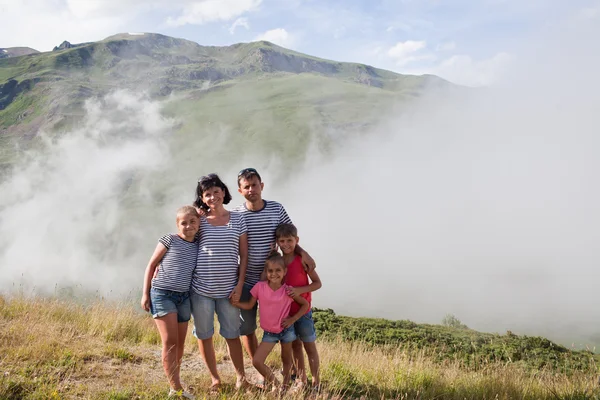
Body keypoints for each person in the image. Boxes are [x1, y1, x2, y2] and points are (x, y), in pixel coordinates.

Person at [234, 167, 316, 366]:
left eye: (255, 185)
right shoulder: (235, 215)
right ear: (240, 191)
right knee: (247, 328)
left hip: (275, 280)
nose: (251, 189)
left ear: (261, 186)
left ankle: (290, 371)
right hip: (247, 279)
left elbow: (289, 236)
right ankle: (261, 368)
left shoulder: (276, 209)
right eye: (247, 186)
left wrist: (303, 253)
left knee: (282, 325)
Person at [190, 174, 248, 392]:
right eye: (207, 194)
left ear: (224, 192)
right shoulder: (200, 221)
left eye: (216, 191)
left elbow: (244, 255)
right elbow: (183, 235)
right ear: (202, 199)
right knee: (204, 335)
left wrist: (240, 284)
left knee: (232, 334)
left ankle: (241, 377)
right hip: (201, 290)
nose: (212, 196)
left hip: (229, 291)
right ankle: (215, 378)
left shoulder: (238, 220)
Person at [141, 206, 199, 400]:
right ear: (177, 225)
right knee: (169, 342)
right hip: (162, 294)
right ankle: (177, 389)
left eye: (192, 222)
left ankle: (174, 382)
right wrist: (145, 294)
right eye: (184, 223)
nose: (188, 226)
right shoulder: (169, 239)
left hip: (184, 297)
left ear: (198, 224)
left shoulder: (198, 244)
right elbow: (151, 265)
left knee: (180, 344)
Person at [232, 253, 309, 393]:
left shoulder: (288, 290)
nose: (274, 274)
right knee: (257, 361)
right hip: (269, 333)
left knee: (286, 360)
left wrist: (293, 319)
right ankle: (276, 383)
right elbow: (250, 305)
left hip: (287, 332)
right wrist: (237, 304)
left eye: (278, 270)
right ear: (266, 272)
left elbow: (305, 305)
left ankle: (284, 388)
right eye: (270, 271)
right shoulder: (259, 287)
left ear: (285, 271)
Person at [276, 223, 322, 392]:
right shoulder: (278, 262)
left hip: (303, 312)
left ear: (297, 240)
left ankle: (316, 382)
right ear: (277, 242)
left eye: (289, 240)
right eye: (282, 241)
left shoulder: (302, 260)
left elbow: (318, 283)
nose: (286, 244)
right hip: (286, 313)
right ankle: (301, 379)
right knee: (295, 346)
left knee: (309, 347)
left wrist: (299, 291)